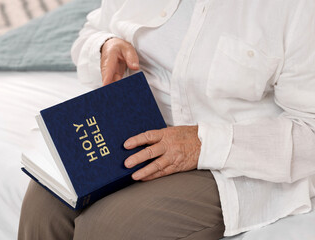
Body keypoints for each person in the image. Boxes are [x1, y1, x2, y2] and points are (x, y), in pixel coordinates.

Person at [18, 0, 315, 239]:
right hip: (134, 130)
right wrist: (105, 44)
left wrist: (198, 144)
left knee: (111, 226)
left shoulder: (298, 9)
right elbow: (93, 30)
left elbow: (310, 130)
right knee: (45, 201)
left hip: (233, 160)